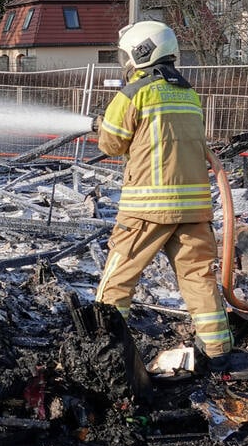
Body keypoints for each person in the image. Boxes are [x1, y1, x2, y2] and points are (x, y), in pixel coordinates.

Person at [93, 20, 234, 373]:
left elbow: (111, 144)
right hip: (194, 208)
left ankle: (103, 349)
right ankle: (218, 350)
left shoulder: (133, 93)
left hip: (147, 209)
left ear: (140, 52)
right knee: (198, 279)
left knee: (118, 278)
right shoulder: (188, 93)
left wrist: (100, 123)